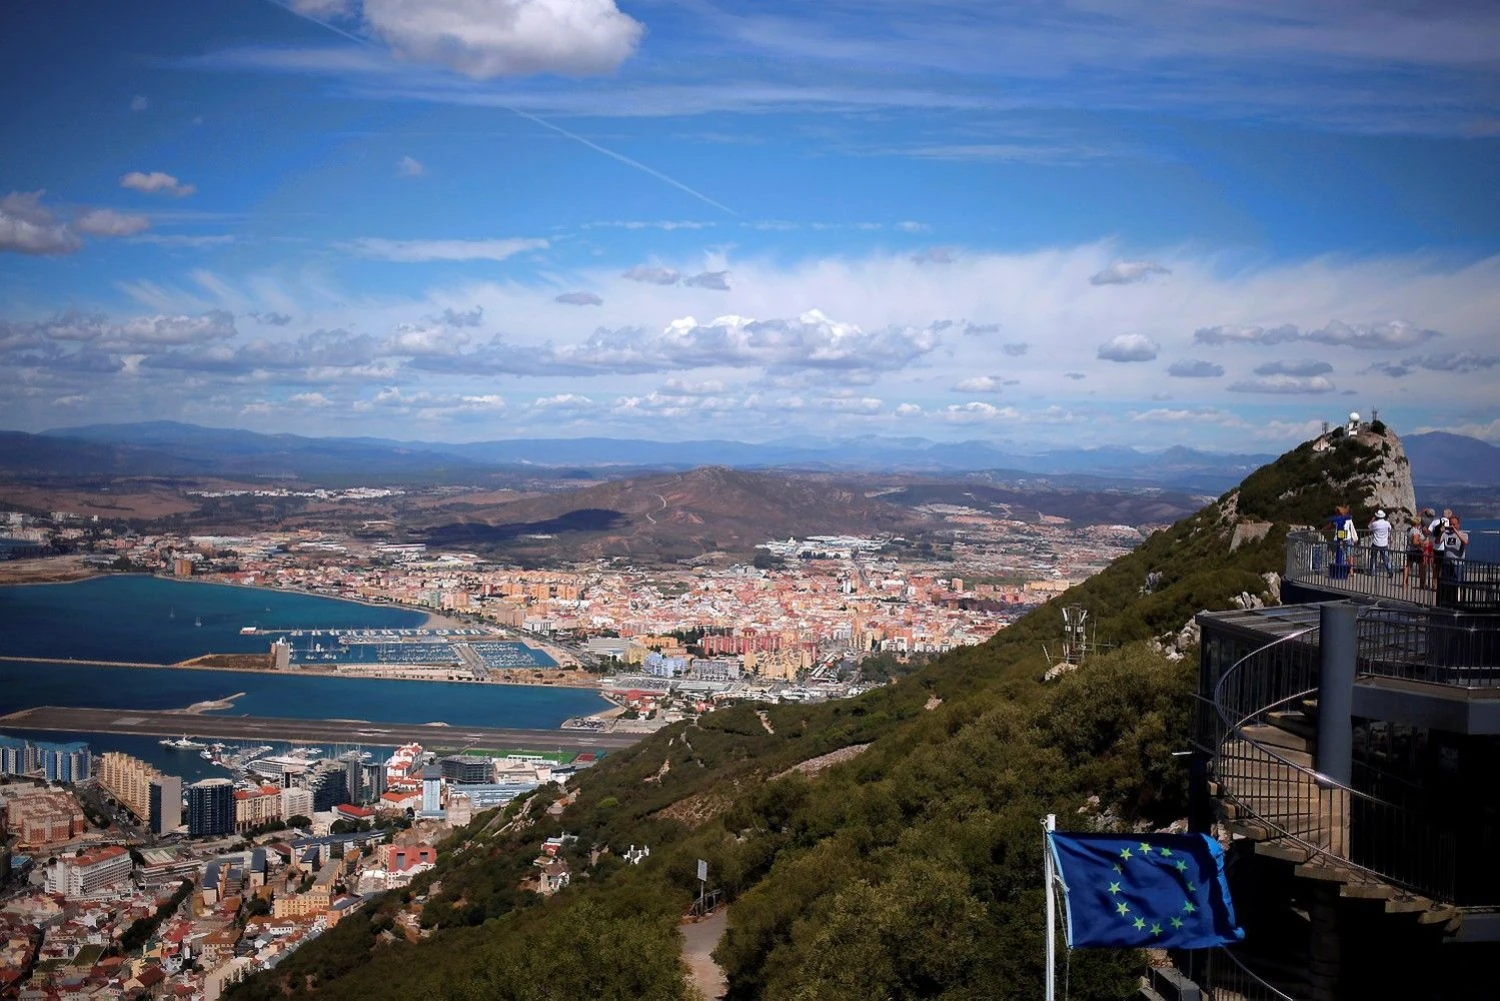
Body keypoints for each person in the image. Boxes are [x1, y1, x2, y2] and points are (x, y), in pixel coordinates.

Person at [1330, 505, 1357, 579]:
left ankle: (1350, 570)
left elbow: (1352, 529)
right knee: (1348, 555)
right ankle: (1350, 570)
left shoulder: (1343, 519)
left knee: (1347, 555)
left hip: (1344, 539)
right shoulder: (1346, 519)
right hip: (1345, 538)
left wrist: (1355, 537)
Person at [1367, 509, 1393, 577]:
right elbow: (1390, 529)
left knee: (1373, 558)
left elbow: (1369, 527)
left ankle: (1372, 571)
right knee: (1386, 558)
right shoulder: (1387, 523)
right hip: (1384, 543)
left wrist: (1372, 520)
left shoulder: (1375, 524)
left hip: (1376, 543)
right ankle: (1390, 571)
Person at [1404, 517, 1427, 590]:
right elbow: (1415, 542)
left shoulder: (1410, 530)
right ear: (1418, 523)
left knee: (1408, 566)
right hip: (1417, 550)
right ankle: (1422, 584)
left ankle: (1404, 582)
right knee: (1422, 567)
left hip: (1409, 550)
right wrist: (1421, 543)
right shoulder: (1416, 531)